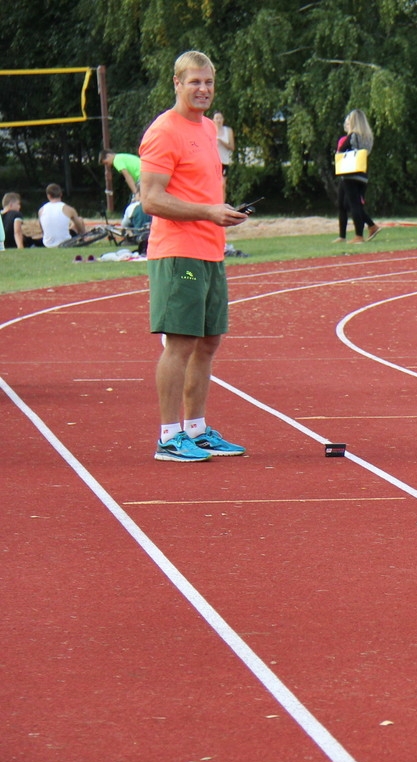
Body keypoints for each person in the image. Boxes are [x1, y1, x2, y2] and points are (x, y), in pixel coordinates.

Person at [137, 49, 250, 462]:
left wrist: (221, 213)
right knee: (181, 342)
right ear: (177, 84)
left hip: (209, 248)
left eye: (209, 82)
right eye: (195, 82)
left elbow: (198, 190)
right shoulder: (164, 130)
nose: (203, 90)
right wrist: (208, 212)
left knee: (208, 341)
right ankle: (169, 437)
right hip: (179, 253)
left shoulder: (205, 129)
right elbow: (150, 199)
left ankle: (197, 430)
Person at [334, 109, 380, 244]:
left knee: (353, 204)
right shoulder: (368, 137)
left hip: (350, 172)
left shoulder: (353, 135)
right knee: (346, 203)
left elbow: (341, 151)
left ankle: (359, 235)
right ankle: (370, 226)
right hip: (362, 172)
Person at [213, 111, 234, 176]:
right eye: (217, 118)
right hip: (213, 162)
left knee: (222, 184)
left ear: (223, 119)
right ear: (213, 120)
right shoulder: (210, 130)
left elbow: (232, 147)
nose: (219, 120)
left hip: (224, 161)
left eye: (220, 118)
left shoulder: (228, 131)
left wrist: (221, 142)